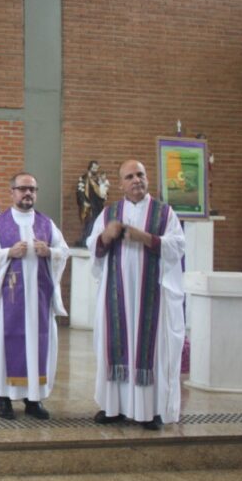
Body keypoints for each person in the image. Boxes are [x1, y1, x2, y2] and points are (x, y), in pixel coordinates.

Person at [87, 160, 185, 430]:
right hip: (115, 298)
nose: (136, 180)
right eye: (129, 176)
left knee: (152, 351)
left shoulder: (164, 213)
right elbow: (92, 248)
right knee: (114, 347)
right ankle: (113, 407)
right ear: (120, 184)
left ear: (147, 178)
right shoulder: (109, 213)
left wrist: (146, 237)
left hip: (152, 297)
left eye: (140, 174)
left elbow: (178, 246)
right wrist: (105, 237)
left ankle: (151, 410)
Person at [0, 173, 69, 420]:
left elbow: (64, 251)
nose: (28, 194)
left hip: (39, 300)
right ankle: (3, 399)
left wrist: (49, 251)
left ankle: (33, 399)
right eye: (23, 189)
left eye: (33, 189)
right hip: (8, 301)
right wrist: (8, 253)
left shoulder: (47, 224)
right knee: (4, 346)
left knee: (38, 346)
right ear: (12, 192)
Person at [77, 160, 109, 245]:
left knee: (96, 221)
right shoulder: (84, 178)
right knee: (89, 221)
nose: (95, 169)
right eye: (94, 167)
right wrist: (83, 201)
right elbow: (80, 191)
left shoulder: (99, 179)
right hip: (88, 204)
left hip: (97, 205)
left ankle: (92, 239)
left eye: (96, 168)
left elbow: (103, 191)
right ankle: (86, 238)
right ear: (90, 167)